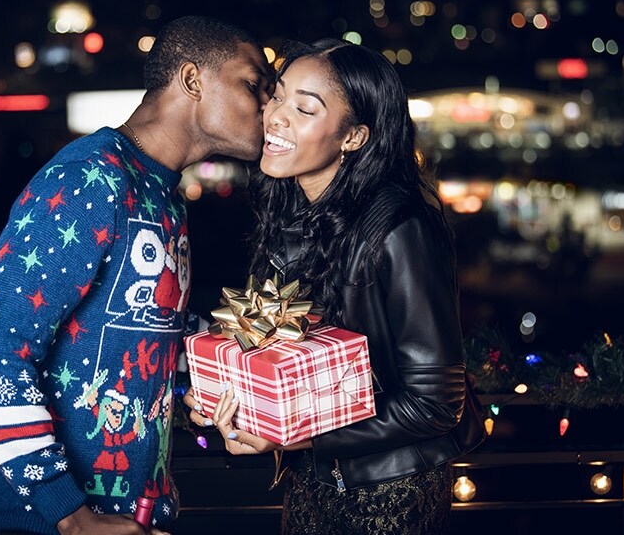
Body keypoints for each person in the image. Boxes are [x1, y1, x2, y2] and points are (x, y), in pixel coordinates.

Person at [0, 15, 273, 535]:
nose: (268, 106)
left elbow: (141, 320)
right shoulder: (90, 178)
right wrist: (71, 516)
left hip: (133, 513)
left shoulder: (161, 192)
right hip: (48, 522)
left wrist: (242, 351)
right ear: (192, 80)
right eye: (252, 85)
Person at [184, 39, 485, 534]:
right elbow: (286, 357)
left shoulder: (402, 227)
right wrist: (236, 399)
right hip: (312, 481)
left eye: (304, 108)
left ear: (353, 137)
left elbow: (435, 405)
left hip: (390, 495)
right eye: (277, 96)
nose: (275, 117)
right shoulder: (289, 214)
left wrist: (295, 438)